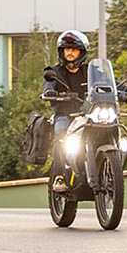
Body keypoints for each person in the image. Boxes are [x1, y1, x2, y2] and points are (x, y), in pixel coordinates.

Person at [44, 30, 90, 193]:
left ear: (81, 52)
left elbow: (113, 85)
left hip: (88, 116)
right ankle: (59, 176)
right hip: (65, 116)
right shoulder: (54, 72)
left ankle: (110, 169)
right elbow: (48, 86)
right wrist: (50, 92)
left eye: (74, 49)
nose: (70, 52)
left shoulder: (90, 72)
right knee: (61, 135)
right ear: (61, 52)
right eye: (67, 49)